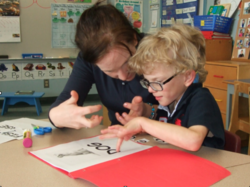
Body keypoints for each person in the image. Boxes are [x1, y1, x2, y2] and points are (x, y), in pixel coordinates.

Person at [100, 24, 225, 152]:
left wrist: (143, 123)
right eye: (147, 82)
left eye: (157, 81)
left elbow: (193, 140)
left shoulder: (201, 99)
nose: (150, 89)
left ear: (187, 77)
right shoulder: (169, 99)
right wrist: (141, 129)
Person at [49, 0, 158, 129]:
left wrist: (148, 112)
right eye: (110, 71)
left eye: (127, 62)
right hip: (121, 139)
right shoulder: (88, 59)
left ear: (134, 39)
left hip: (168, 137)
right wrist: (55, 116)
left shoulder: (158, 51)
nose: (123, 76)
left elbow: (182, 109)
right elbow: (65, 102)